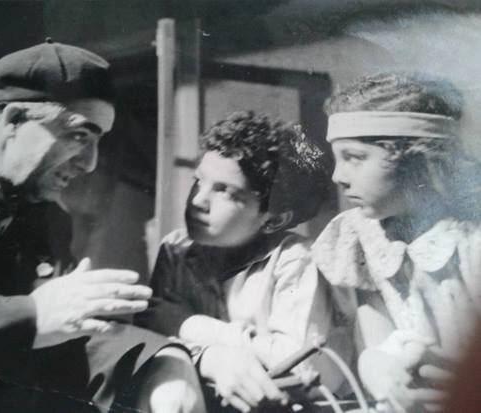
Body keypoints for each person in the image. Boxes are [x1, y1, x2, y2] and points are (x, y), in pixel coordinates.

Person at [0, 40, 205, 413]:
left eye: (98, 141)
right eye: (79, 135)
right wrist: (31, 315)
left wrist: (164, 361)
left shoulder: (49, 218)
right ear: (14, 119)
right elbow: (40, 320)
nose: (90, 163)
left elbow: (66, 337)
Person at [136, 111, 345, 412]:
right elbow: (154, 338)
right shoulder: (176, 250)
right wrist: (209, 357)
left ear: (274, 219)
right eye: (199, 181)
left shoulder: (296, 260)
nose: (197, 200)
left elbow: (301, 365)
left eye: (225, 192)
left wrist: (188, 325)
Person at [312, 72, 481, 412]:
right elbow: (375, 342)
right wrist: (382, 372)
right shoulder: (364, 237)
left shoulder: (470, 241)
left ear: (414, 159)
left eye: (354, 157)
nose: (337, 176)